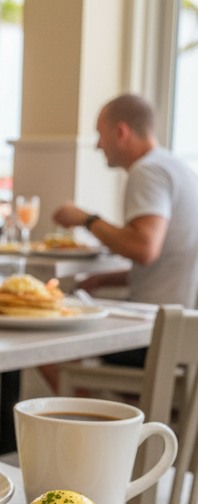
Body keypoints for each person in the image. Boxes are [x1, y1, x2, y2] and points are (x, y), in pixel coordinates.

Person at [52, 92, 198, 367]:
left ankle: (88, 406)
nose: (97, 145)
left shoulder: (148, 171)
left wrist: (85, 218)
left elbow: (144, 249)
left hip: (153, 336)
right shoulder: (178, 168)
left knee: (42, 342)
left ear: (121, 131)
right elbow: (165, 264)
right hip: (184, 334)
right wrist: (99, 281)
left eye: (101, 135)